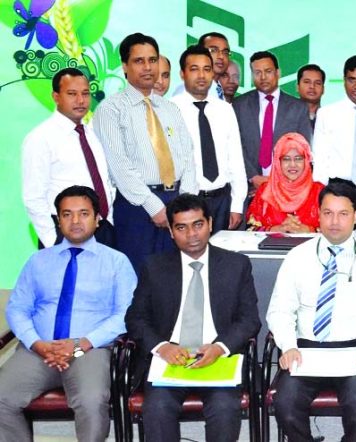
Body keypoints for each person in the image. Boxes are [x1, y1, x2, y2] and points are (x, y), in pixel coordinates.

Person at [267, 179, 356, 442]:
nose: (334, 221)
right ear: (318, 215)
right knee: (285, 403)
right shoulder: (298, 257)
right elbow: (280, 309)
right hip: (306, 349)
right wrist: (287, 345)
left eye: (343, 214)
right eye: (327, 213)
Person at [0, 186, 135, 442]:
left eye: (83, 214)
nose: (75, 221)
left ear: (97, 219)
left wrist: (82, 343)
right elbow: (17, 308)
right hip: (38, 351)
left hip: (90, 350)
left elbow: (125, 314)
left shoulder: (117, 262)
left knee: (91, 399)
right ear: (58, 220)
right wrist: (37, 344)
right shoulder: (37, 261)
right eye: (67, 214)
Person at [124, 193, 261, 442]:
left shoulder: (236, 265)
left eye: (198, 225)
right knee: (157, 407)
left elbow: (249, 319)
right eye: (181, 228)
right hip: (170, 361)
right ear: (171, 232)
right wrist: (161, 347)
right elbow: (136, 318)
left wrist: (220, 347)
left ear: (209, 223)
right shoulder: (154, 267)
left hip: (218, 359)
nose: (192, 234)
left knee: (224, 408)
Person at [92, 33, 198, 273]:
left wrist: (186, 205)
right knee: (139, 282)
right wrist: (155, 208)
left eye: (152, 60)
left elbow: (187, 158)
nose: (148, 67)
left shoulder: (170, 108)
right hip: (138, 207)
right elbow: (119, 166)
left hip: (177, 205)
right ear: (124, 66)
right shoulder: (110, 110)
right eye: (139, 61)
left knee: (177, 279)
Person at [22, 68, 116, 248]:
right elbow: (33, 197)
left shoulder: (91, 134)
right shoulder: (41, 138)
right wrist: (54, 242)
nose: (81, 100)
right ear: (56, 96)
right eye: (72, 94)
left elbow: (104, 182)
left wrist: (108, 222)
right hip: (64, 233)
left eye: (85, 94)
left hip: (102, 230)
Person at [171, 45, 247, 232]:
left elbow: (236, 160)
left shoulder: (225, 109)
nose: (201, 76)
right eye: (194, 69)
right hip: (186, 201)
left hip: (222, 200)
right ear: (182, 74)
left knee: (221, 258)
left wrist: (237, 205)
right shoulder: (169, 110)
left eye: (207, 69)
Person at [232, 51, 312, 190]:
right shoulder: (239, 105)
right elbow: (234, 146)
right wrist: (253, 176)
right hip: (248, 187)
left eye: (268, 71)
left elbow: (303, 150)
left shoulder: (298, 108)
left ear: (278, 73)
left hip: (286, 188)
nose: (263, 77)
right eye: (257, 72)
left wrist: (280, 180)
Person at [313, 55, 356, 184]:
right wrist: (320, 191)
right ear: (344, 80)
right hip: (337, 186)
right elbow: (320, 158)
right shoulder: (327, 114)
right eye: (352, 80)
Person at [246, 133, 324, 233]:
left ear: (307, 161)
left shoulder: (319, 192)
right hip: (271, 248)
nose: (292, 164)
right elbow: (251, 231)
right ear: (278, 162)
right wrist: (277, 229)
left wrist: (309, 230)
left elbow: (333, 231)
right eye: (286, 159)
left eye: (298, 158)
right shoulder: (265, 191)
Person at [172, 32, 231, 100]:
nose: (221, 56)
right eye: (213, 50)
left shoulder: (218, 89)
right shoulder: (186, 90)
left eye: (225, 52)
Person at [296, 63, 325, 134]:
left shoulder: (330, 119)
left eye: (317, 83)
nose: (312, 86)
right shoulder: (286, 118)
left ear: (323, 89)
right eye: (307, 82)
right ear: (297, 87)